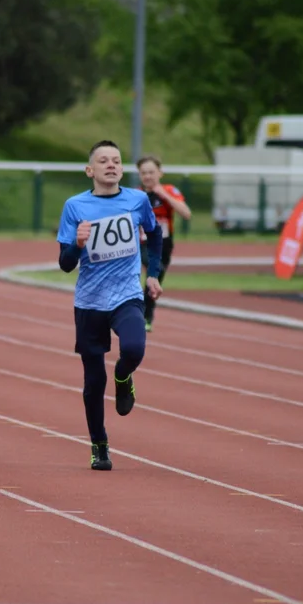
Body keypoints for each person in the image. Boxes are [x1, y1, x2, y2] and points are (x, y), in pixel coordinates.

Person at [57, 140, 164, 470]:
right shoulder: (75, 207)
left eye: (116, 160)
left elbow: (156, 234)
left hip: (126, 295)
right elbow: (64, 264)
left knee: (133, 348)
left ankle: (123, 376)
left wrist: (154, 274)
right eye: (103, 161)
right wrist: (76, 245)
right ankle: (99, 445)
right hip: (90, 302)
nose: (111, 165)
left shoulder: (138, 200)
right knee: (92, 381)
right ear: (90, 170)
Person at [136, 154, 192, 331]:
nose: (148, 176)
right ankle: (139, 316)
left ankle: (146, 318)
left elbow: (186, 214)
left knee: (154, 281)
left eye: (151, 172)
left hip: (165, 243)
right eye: (144, 173)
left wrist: (164, 195)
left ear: (160, 173)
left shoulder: (170, 190)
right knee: (155, 269)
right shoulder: (136, 194)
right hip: (143, 243)